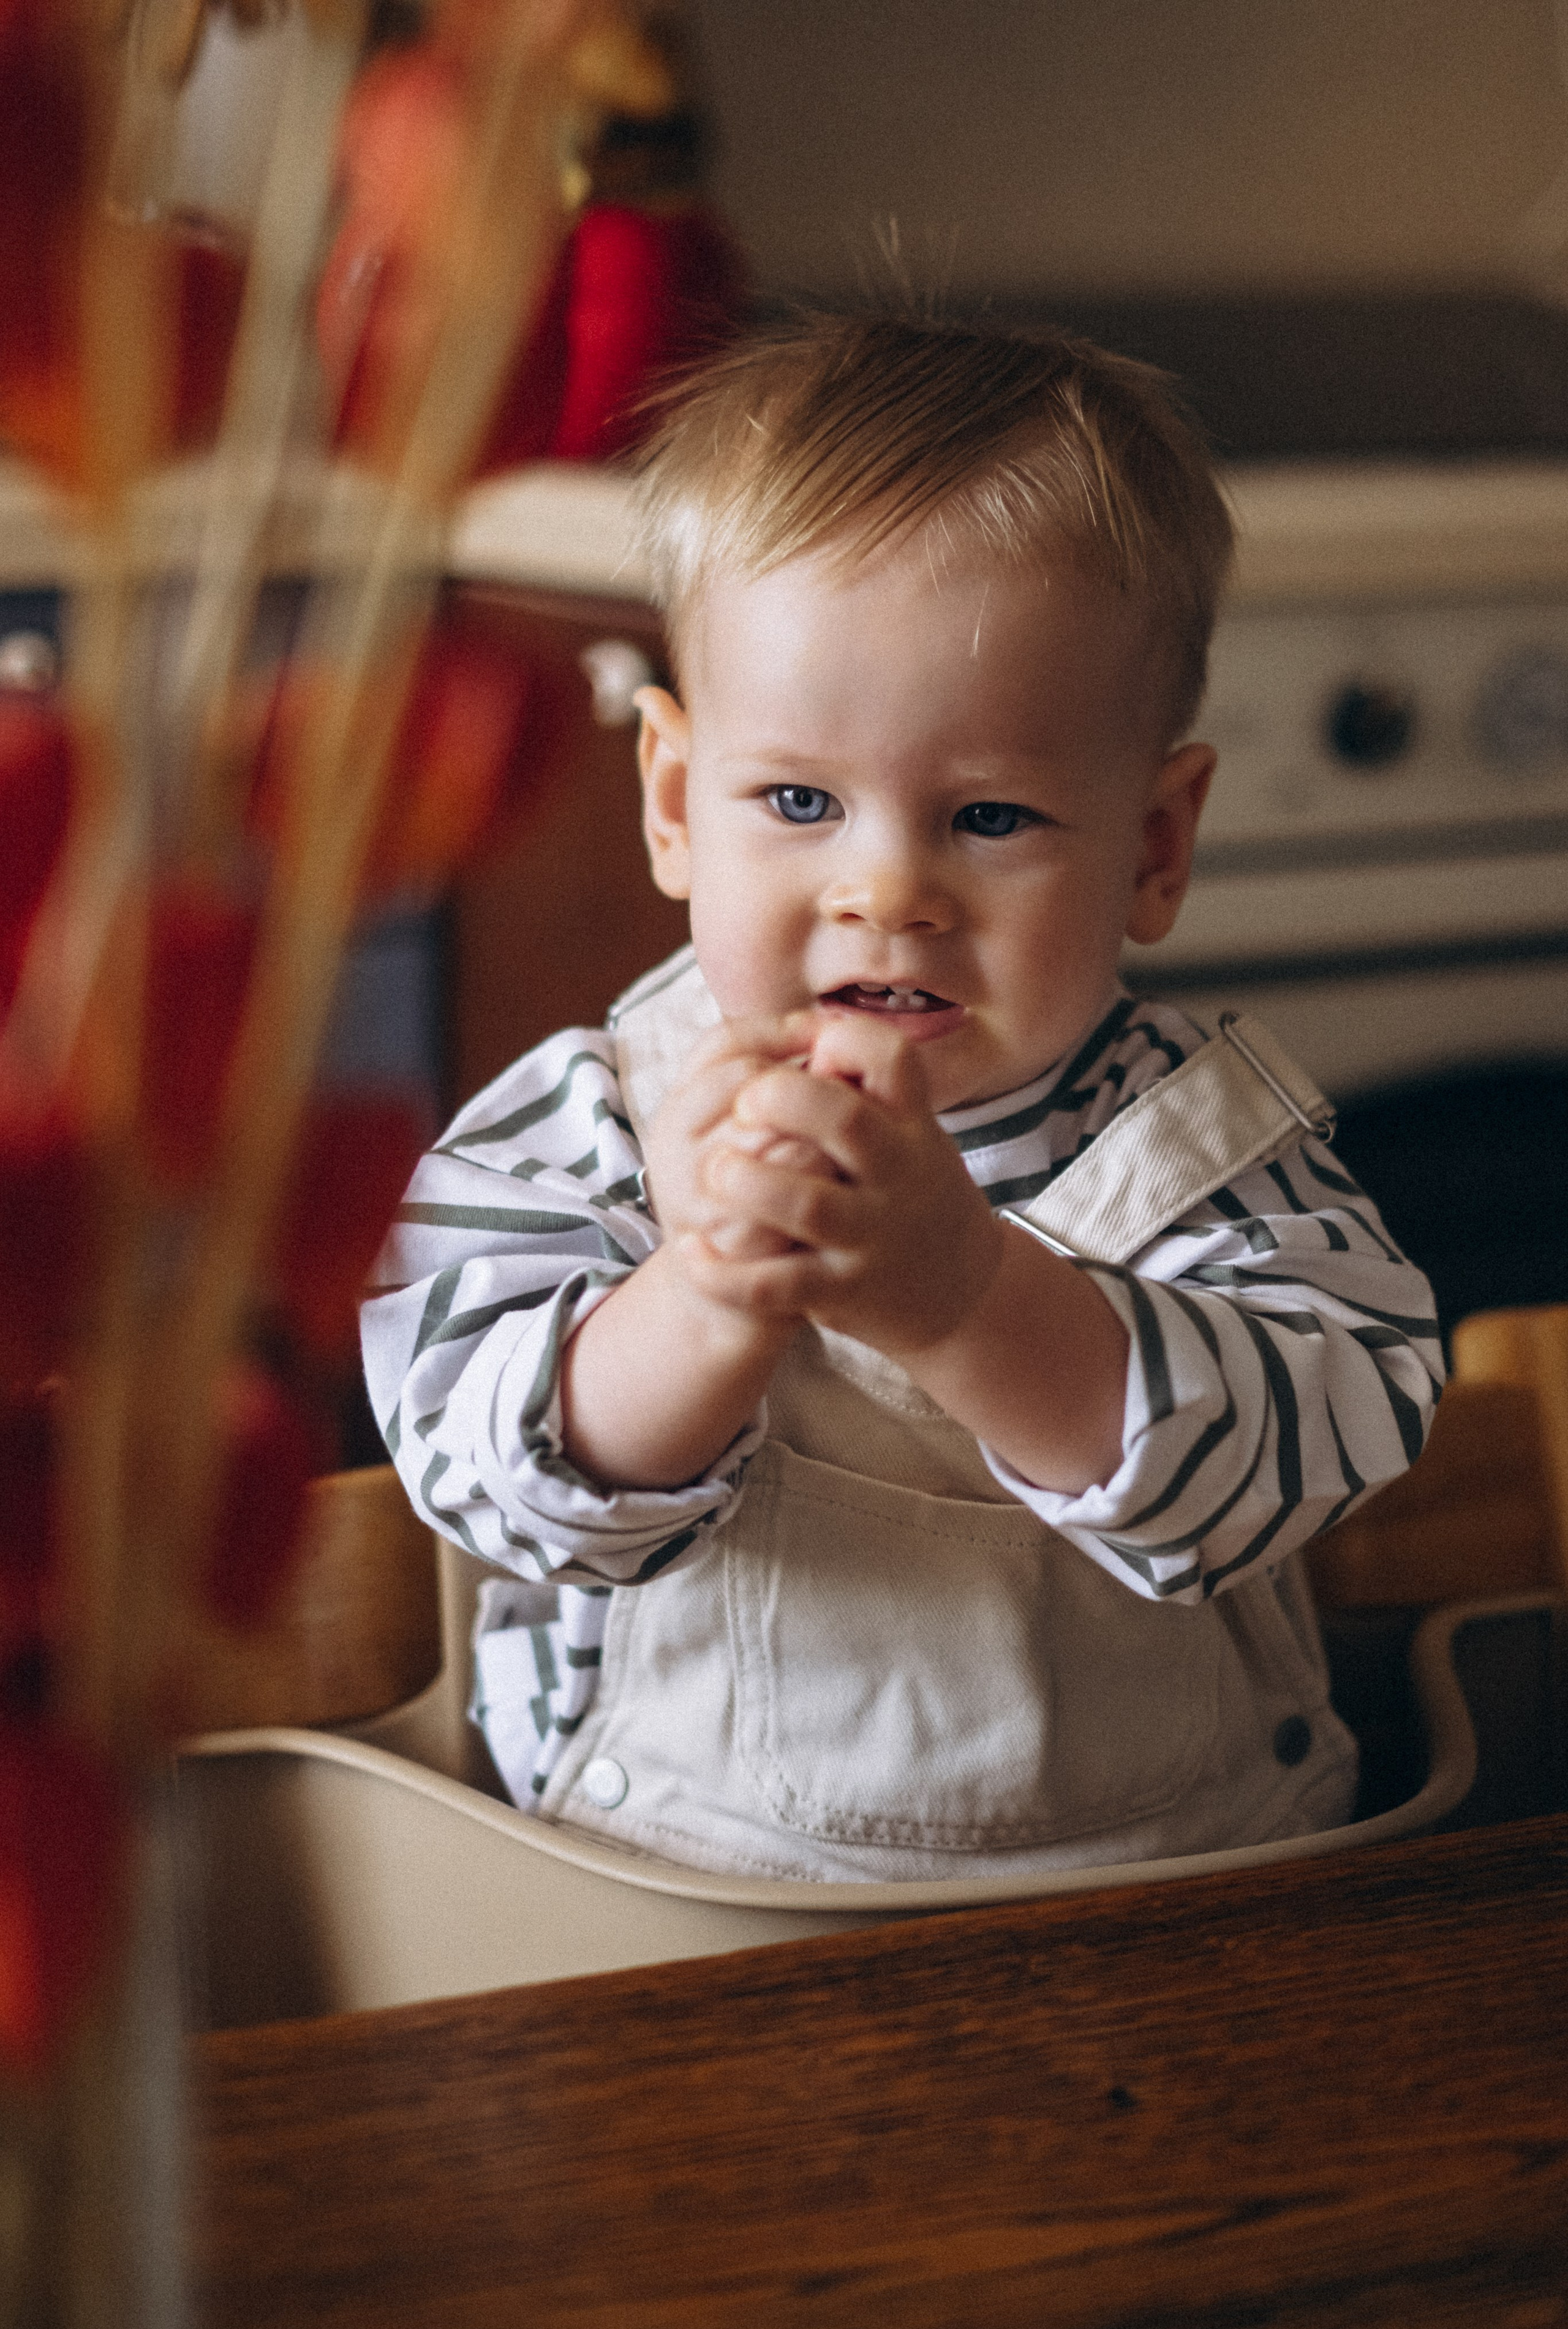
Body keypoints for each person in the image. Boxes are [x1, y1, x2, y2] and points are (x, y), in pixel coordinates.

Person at [362, 314, 1443, 1883]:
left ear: (1152, 845)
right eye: (798, 801)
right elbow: (489, 1495)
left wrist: (968, 1301)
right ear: (675, 804)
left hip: (1190, 1899)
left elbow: (1319, 1452)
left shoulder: (1192, 1144)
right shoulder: (589, 1121)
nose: (885, 889)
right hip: (675, 1908)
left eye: (988, 814)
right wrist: (705, 1296)